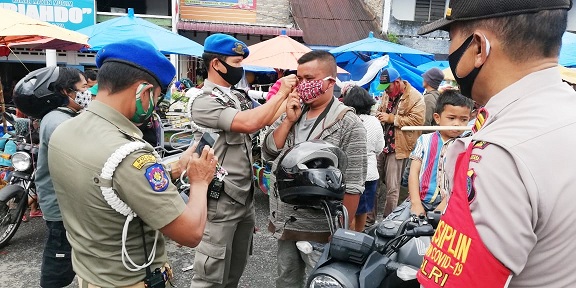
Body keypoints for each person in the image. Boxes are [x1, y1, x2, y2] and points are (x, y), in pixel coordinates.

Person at [417, 1, 576, 287]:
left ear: (479, 47)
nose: (450, 53)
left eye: (451, 38)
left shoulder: (497, 154)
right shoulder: (565, 111)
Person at [47, 39, 217, 287]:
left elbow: (113, 187)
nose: (154, 107)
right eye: (156, 98)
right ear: (143, 92)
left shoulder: (65, 130)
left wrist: (173, 169)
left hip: (90, 273)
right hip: (130, 281)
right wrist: (200, 181)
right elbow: (190, 233)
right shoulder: (129, 155)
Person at [188, 33, 297, 288]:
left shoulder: (238, 96)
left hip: (243, 198)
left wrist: (290, 101)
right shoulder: (203, 101)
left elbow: (266, 118)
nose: (241, 69)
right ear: (216, 64)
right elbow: (250, 123)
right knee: (210, 275)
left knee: (233, 273)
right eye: (236, 63)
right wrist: (280, 93)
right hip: (220, 201)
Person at [262, 50, 367, 287]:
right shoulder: (295, 112)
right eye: (299, 78)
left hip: (321, 230)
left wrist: (339, 234)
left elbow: (353, 185)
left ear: (330, 82)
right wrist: (288, 120)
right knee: (286, 280)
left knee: (320, 281)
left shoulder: (349, 124)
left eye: (309, 79)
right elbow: (269, 151)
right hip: (287, 223)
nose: (302, 85)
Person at [13, 66, 87, 287]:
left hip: (63, 205)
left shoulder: (60, 116)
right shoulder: (59, 121)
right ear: (66, 91)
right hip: (62, 209)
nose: (88, 91)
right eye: (84, 86)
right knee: (58, 264)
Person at [407, 89, 472, 217]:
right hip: (420, 201)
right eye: (451, 118)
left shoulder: (467, 144)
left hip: (449, 204)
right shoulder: (424, 140)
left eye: (463, 119)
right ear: (437, 118)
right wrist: (415, 203)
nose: (457, 124)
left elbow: (462, 180)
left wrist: (442, 207)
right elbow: (413, 172)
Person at [373, 68, 425, 219]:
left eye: (387, 88)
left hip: (399, 147)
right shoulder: (386, 94)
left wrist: (391, 118)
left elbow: (417, 122)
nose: (386, 92)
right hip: (383, 144)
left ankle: (389, 222)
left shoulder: (415, 97)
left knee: (392, 188)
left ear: (397, 82)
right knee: (373, 184)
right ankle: (369, 220)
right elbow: (381, 109)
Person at [341, 85, 384, 231]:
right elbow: (379, 147)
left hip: (348, 171)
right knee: (363, 209)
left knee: (348, 210)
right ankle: (358, 239)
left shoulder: (345, 120)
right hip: (370, 172)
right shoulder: (375, 122)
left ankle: (347, 238)